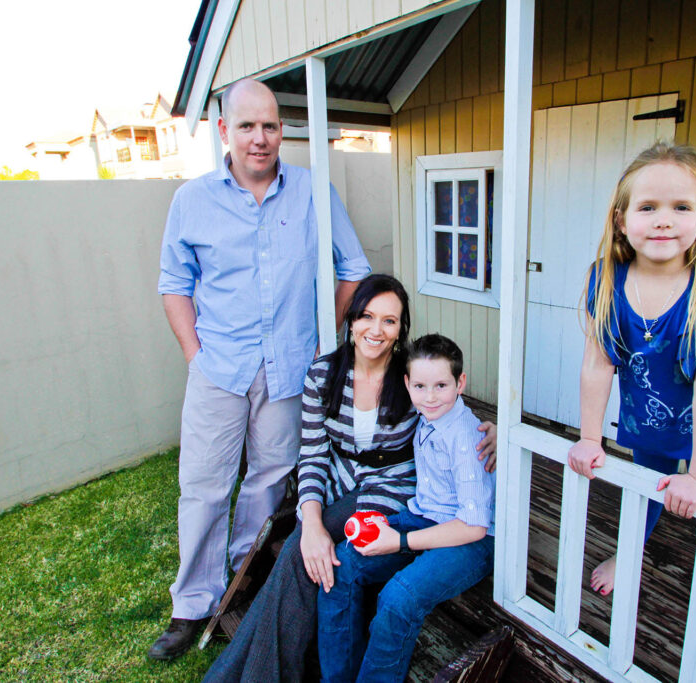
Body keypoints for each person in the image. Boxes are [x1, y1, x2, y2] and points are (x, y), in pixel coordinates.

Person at [151, 78, 372, 659]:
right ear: (224, 130)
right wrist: (195, 355)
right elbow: (175, 286)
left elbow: (352, 268)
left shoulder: (311, 192)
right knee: (202, 488)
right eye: (247, 126)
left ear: (282, 131)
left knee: (271, 483)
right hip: (218, 370)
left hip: (290, 371)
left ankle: (242, 585)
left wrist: (324, 343)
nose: (260, 138)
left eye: (270, 126)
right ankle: (191, 603)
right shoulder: (192, 201)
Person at [203, 276, 497, 682]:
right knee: (305, 545)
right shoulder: (322, 375)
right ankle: (266, 668)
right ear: (352, 318)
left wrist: (493, 428)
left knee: (301, 553)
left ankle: (253, 674)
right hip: (340, 485)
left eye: (389, 321)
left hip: (394, 489)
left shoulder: (409, 375)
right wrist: (311, 520)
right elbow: (312, 455)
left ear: (401, 328)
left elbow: (448, 406)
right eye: (367, 316)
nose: (376, 330)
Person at [567, 142, 696, 652]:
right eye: (648, 207)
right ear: (622, 218)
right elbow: (597, 363)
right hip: (648, 412)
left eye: (681, 207)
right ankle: (629, 552)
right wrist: (588, 438)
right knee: (646, 486)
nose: (663, 221)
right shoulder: (605, 279)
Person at [316, 334, 496, 683]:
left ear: (461, 383)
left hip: (471, 538)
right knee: (344, 563)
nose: (430, 397)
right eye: (420, 386)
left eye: (441, 385)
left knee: (399, 598)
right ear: (407, 385)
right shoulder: (424, 413)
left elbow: (473, 527)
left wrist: (398, 542)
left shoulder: (466, 438)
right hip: (425, 516)